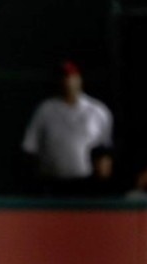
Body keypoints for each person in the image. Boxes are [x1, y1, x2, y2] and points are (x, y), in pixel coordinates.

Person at [21, 60, 114, 197]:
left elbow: (105, 150)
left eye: (71, 77)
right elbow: (30, 148)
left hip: (87, 185)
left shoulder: (97, 111)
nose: (68, 81)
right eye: (64, 77)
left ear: (79, 79)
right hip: (52, 184)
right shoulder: (45, 110)